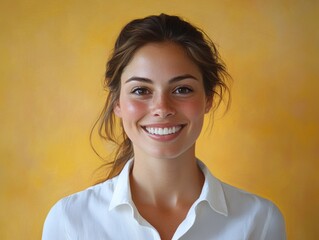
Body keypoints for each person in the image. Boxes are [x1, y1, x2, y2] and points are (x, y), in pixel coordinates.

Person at [42, 13, 286, 240]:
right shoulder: (69, 221)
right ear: (117, 102)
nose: (162, 107)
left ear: (208, 99)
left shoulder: (260, 221)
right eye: (141, 90)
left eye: (182, 89)